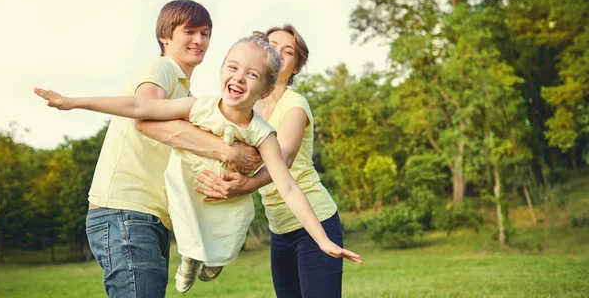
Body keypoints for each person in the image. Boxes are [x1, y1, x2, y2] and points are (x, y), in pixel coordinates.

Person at [34, 33, 362, 293]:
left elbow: (288, 186)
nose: (239, 78)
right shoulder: (198, 106)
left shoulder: (265, 134)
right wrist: (73, 102)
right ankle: (190, 260)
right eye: (232, 67)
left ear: (264, 90)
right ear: (221, 69)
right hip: (193, 188)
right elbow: (138, 107)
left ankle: (212, 259)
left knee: (239, 218)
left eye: (252, 74)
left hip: (230, 200)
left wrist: (322, 240)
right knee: (188, 211)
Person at [54, 0, 261, 298]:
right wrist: (225, 151)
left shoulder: (188, 95)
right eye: (189, 31)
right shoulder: (160, 67)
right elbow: (146, 119)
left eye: (205, 33)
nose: (199, 40)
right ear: (165, 36)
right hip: (125, 210)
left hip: (152, 218)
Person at [196, 25, 347, 297]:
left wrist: (248, 184)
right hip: (279, 229)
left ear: (297, 66)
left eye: (287, 51)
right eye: (272, 44)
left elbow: (285, 157)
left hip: (315, 219)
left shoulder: (295, 104)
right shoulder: (247, 108)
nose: (277, 51)